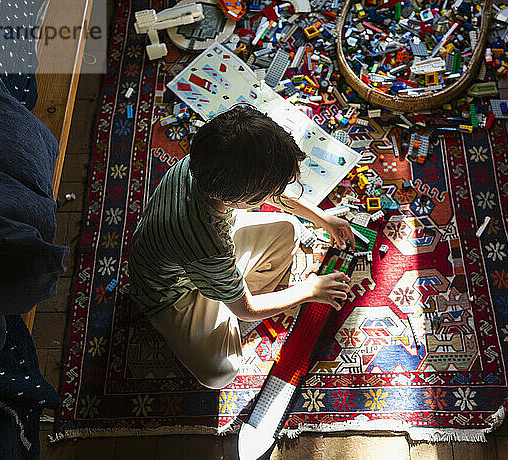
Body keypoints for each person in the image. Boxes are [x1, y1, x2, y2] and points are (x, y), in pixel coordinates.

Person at [129, 105, 356, 389]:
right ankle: (222, 295)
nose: (271, 198)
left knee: (290, 230)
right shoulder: (210, 246)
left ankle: (224, 292)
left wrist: (321, 218)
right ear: (239, 199)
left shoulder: (199, 163)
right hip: (169, 295)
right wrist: (310, 290)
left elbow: (271, 193)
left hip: (187, 255)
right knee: (221, 371)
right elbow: (246, 310)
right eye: (263, 197)